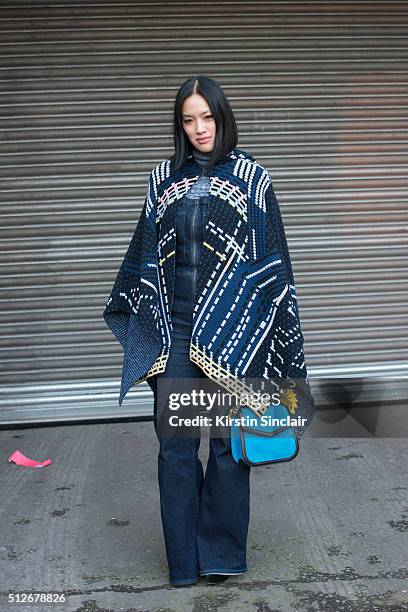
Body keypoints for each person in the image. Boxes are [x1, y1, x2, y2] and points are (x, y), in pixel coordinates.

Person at [103, 74, 314, 588]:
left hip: (230, 334)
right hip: (173, 334)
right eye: (189, 119)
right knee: (175, 448)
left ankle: (219, 555)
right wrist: (143, 315)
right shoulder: (162, 179)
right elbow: (145, 256)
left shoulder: (252, 180)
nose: (200, 128)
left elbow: (271, 263)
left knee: (225, 447)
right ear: (180, 125)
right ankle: (183, 560)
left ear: (223, 117)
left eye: (208, 117)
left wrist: (277, 335)